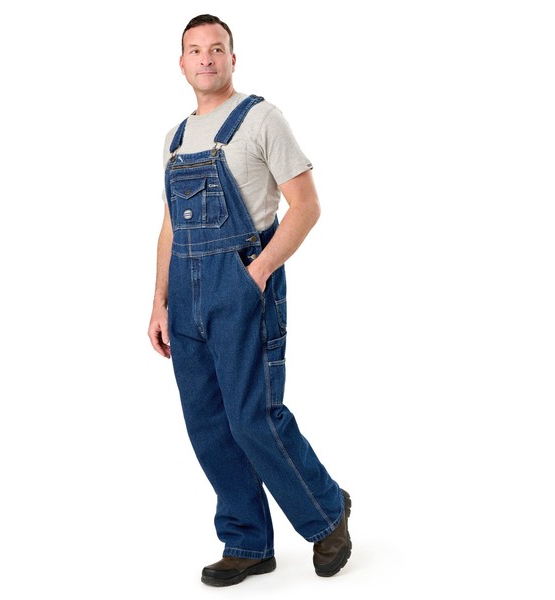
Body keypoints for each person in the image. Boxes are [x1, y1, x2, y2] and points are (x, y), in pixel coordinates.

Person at [147, 13, 351, 587]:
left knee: (253, 417)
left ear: (232, 59)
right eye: (195, 50)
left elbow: (306, 206)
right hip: (185, 294)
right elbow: (170, 226)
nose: (206, 58)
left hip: (241, 282)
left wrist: (257, 273)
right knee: (208, 423)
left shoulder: (261, 119)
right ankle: (247, 541)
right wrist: (159, 302)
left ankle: (327, 513)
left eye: (217, 48)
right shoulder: (175, 138)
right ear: (181, 63)